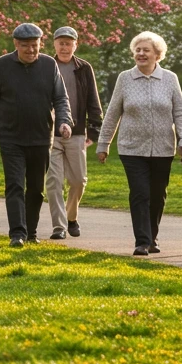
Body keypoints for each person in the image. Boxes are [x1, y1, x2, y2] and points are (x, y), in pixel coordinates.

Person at [97, 31, 182, 256]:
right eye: (137, 50)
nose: (140, 54)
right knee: (140, 193)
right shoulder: (125, 78)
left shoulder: (170, 78)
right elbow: (113, 113)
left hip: (163, 147)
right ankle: (142, 241)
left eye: (145, 50)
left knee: (158, 194)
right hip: (132, 147)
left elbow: (179, 111)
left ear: (157, 54)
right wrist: (103, 143)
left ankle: (152, 236)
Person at [0, 23, 72, 247]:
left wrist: (64, 121)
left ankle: (31, 232)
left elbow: (61, 98)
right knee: (14, 186)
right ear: (15, 44)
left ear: (41, 43)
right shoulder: (2, 65)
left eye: (35, 45)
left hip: (41, 138)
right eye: (25, 46)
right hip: (11, 137)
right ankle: (17, 234)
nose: (31, 50)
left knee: (36, 189)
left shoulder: (49, 65)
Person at [45, 27, 103, 239]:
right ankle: (59, 227)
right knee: (53, 181)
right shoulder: (46, 65)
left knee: (78, 181)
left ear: (75, 45)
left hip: (77, 132)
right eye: (60, 42)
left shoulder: (84, 68)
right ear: (54, 44)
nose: (64, 46)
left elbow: (92, 100)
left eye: (68, 43)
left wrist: (94, 130)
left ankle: (71, 217)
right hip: (50, 134)